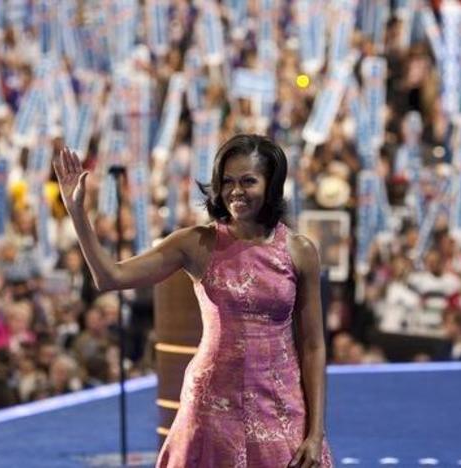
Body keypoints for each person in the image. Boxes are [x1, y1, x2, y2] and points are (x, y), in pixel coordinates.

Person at [53, 134, 333, 467]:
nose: (236, 191)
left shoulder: (299, 251)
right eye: (227, 181)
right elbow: (110, 277)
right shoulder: (197, 243)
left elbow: (314, 345)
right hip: (212, 407)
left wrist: (316, 433)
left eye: (248, 181)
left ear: (272, 185)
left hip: (281, 405)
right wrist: (77, 213)